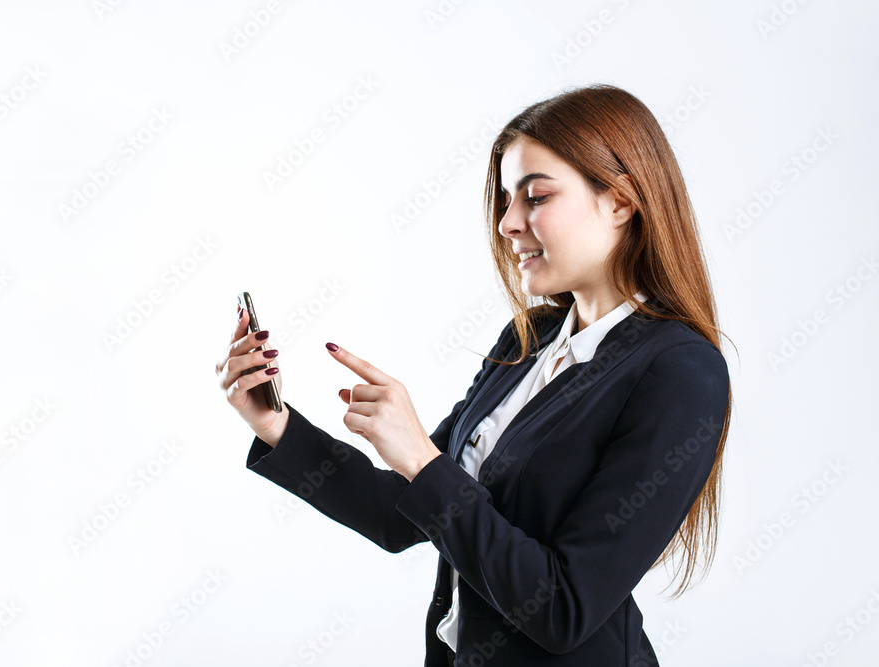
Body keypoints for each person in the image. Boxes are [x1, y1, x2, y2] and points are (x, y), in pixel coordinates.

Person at [218, 83, 733, 666]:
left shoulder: (679, 371)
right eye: (507, 200)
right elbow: (399, 514)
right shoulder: (530, 338)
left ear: (619, 202)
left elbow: (564, 609)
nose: (508, 223)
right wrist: (274, 424)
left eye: (536, 196)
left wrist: (421, 459)